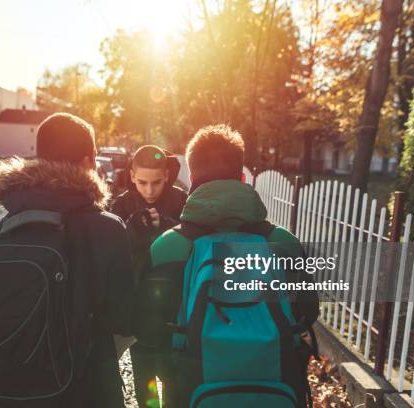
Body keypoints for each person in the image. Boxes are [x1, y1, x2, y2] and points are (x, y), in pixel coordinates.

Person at [136, 124, 320, 406]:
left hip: (191, 392)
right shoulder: (283, 243)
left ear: (192, 178)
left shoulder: (166, 248)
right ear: (243, 178)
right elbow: (307, 313)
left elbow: (148, 334)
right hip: (274, 390)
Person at [0, 113, 134, 407]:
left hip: (13, 388)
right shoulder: (108, 228)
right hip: (88, 388)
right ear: (89, 162)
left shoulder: (10, 222)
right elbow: (125, 319)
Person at [109, 145, 187, 407]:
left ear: (167, 175)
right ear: (131, 176)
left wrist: (168, 229)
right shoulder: (120, 205)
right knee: (146, 391)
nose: (150, 190)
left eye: (156, 182)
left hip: (175, 313)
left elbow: (192, 249)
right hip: (138, 314)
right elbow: (111, 263)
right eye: (142, 182)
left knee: (175, 390)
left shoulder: (181, 202)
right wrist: (131, 234)